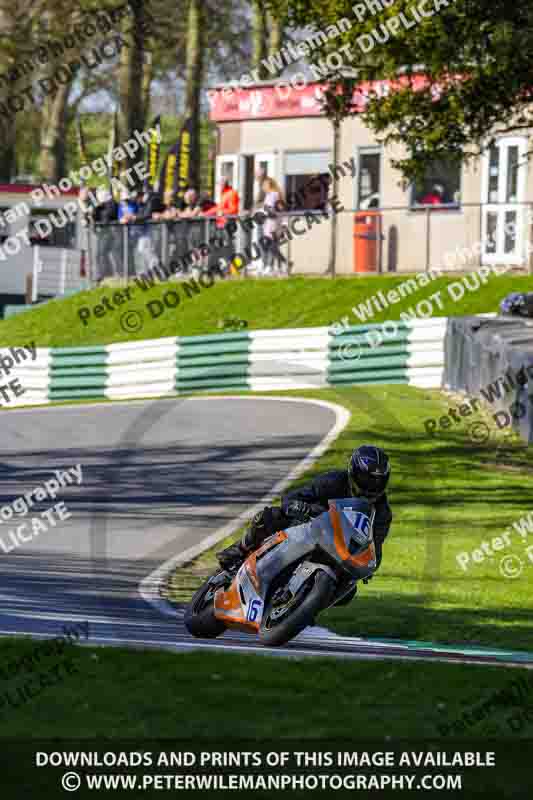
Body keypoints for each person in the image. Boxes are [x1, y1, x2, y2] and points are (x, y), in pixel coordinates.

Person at [217, 445, 392, 603]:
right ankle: (240, 549)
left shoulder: (382, 512)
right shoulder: (334, 481)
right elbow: (293, 496)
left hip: (340, 550)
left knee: (349, 590)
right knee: (271, 516)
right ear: (353, 472)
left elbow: (375, 546)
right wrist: (297, 506)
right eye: (367, 478)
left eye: (378, 480)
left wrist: (369, 565)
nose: (372, 485)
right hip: (309, 526)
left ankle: (304, 605)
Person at [260, 177, 288, 276]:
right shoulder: (270, 195)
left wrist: (264, 212)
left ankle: (273, 266)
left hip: (272, 224)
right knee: (273, 246)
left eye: (264, 185)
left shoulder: (273, 195)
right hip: (270, 223)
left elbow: (273, 209)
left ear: (268, 185)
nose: (262, 187)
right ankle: (279, 267)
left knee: (271, 246)